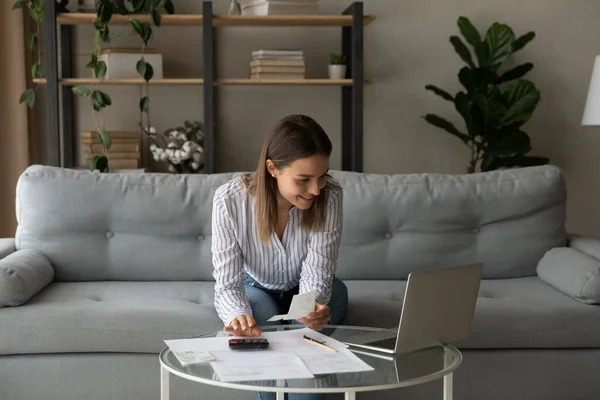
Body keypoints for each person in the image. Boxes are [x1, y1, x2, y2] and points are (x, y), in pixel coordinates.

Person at [211, 114, 348, 400]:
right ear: (272, 168)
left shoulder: (330, 195)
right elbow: (227, 284)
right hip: (257, 287)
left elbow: (318, 272)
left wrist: (311, 310)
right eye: (304, 179)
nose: (316, 189)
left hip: (308, 287)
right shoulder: (229, 201)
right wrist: (239, 316)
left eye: (321, 176)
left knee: (306, 340)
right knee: (257, 308)